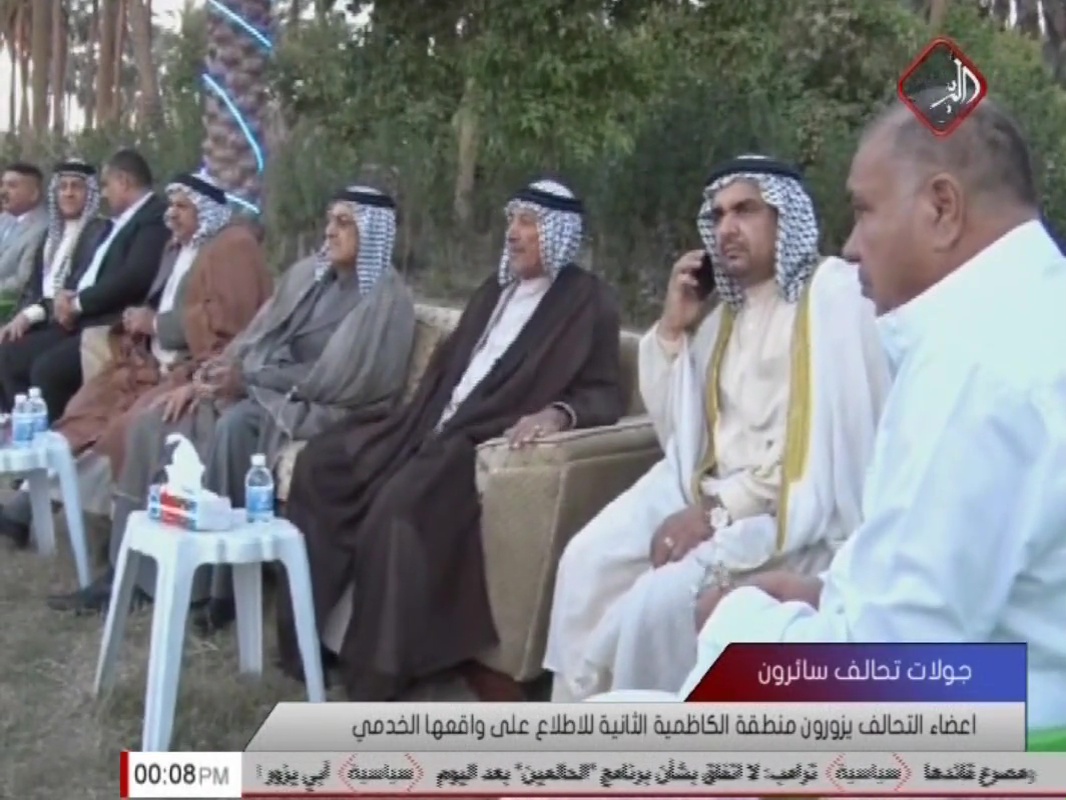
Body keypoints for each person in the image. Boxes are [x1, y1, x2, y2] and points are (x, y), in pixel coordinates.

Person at [662, 94, 1066, 731]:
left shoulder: (974, 368)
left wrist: (736, 622)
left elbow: (888, 679)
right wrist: (824, 595)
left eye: (863, 211)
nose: (850, 247)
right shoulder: (1028, 311)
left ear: (941, 208)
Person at [543, 156, 891, 700]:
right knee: (588, 560)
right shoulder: (725, 317)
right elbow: (678, 434)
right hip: (703, 490)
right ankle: (574, 710)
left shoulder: (832, 299)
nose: (727, 227)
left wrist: (716, 512)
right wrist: (672, 330)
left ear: (785, 218)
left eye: (745, 210)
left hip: (785, 511)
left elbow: (823, 455)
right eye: (718, 215)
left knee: (657, 604)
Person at [274, 178, 625, 701]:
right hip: (424, 422)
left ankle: (377, 672)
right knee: (323, 466)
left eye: (528, 223)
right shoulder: (494, 291)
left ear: (558, 233)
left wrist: (558, 413)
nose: (513, 233)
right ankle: (309, 641)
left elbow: (604, 392)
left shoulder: (587, 302)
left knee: (398, 509)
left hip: (475, 440)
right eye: (512, 221)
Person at [49, 185, 417, 617]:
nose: (330, 231)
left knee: (235, 426)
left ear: (373, 232)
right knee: (155, 422)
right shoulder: (308, 276)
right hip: (268, 388)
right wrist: (208, 377)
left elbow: (341, 379)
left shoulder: (385, 301)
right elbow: (254, 336)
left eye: (344, 223)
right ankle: (129, 570)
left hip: (325, 408)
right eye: (329, 221)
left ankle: (214, 590)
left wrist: (250, 381)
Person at [0, 172, 272, 548]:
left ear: (206, 211)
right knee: (83, 412)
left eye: (182, 207)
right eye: (171, 205)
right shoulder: (178, 246)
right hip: (145, 361)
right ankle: (27, 506)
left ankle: (119, 544)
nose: (171, 214)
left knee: (121, 433)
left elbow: (228, 324)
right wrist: (140, 320)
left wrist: (155, 323)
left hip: (189, 368)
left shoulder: (232, 249)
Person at [0, 149, 169, 420]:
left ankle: (55, 439)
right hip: (68, 315)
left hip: (105, 323)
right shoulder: (65, 233)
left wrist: (75, 304)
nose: (104, 193)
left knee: (47, 369)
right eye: (62, 187)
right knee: (7, 354)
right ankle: (16, 430)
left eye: (104, 185)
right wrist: (49, 307)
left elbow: (133, 278)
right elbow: (59, 283)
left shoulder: (113, 226)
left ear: (124, 182)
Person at [0, 161, 111, 387]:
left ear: (90, 192)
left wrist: (29, 316)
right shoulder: (50, 235)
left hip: (71, 323)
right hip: (41, 318)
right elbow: (33, 288)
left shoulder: (98, 232)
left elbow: (73, 288)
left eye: (76, 187)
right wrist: (15, 321)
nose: (68, 193)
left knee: (10, 357)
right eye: (63, 187)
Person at [0, 162, 47, 296]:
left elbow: (23, 281)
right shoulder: (3, 218)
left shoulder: (43, 229)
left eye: (12, 186)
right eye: (2, 185)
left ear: (34, 194)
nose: (2, 192)